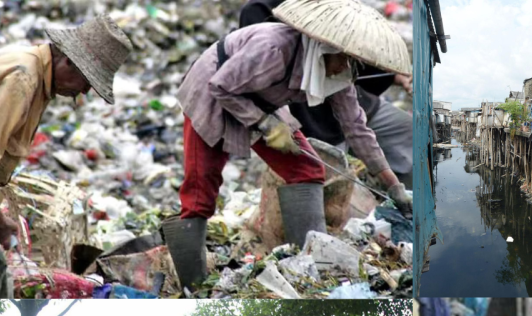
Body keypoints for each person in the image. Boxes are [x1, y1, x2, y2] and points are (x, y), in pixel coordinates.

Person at [164, 0, 412, 289]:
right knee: (200, 191)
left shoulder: (339, 73)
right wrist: (265, 124)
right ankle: (195, 286)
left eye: (352, 62)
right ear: (327, 48)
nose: (346, 67)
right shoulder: (274, 48)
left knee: (307, 170)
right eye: (344, 59)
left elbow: (357, 129)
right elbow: (221, 86)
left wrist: (393, 185)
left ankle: (307, 268)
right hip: (212, 91)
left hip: (262, 100)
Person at [0, 16, 131, 298]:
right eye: (87, 82)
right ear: (68, 63)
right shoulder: (22, 79)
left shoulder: (38, 76)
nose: (85, 91)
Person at [237, 0, 413, 185]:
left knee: (409, 133)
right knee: (330, 180)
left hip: (353, 101)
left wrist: (391, 76)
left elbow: (351, 57)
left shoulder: (331, 8)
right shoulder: (262, 14)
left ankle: (407, 196)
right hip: (306, 119)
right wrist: (275, 123)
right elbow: (255, 84)